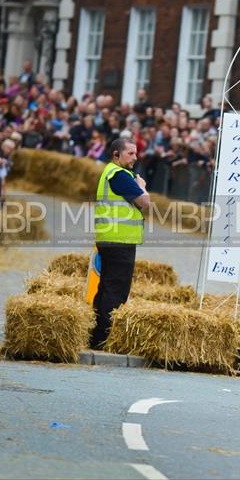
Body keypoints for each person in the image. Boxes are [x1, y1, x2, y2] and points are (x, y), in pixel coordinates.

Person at [91, 138, 151, 349]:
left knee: (106, 288)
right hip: (119, 240)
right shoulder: (120, 175)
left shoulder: (110, 172)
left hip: (110, 238)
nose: (135, 158)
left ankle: (96, 336)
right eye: (131, 154)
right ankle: (104, 339)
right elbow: (144, 202)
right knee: (116, 291)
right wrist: (142, 187)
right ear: (116, 155)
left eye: (136, 153)